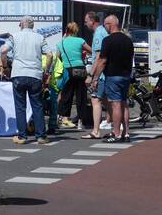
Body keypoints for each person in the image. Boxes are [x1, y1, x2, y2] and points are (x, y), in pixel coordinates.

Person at [1, 15, 54, 145]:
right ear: (32, 25)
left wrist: (5, 67)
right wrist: (46, 72)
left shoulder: (14, 36)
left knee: (20, 107)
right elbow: (50, 54)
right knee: (37, 105)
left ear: (22, 24)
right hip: (35, 75)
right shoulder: (40, 37)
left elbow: (3, 50)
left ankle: (22, 136)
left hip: (18, 73)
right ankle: (41, 136)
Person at [88, 14, 134, 143]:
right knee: (124, 104)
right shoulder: (128, 40)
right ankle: (126, 133)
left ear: (110, 25)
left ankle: (117, 134)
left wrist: (95, 78)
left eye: (106, 25)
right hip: (125, 76)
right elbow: (130, 58)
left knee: (116, 105)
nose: (105, 28)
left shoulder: (108, 40)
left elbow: (102, 61)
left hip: (113, 75)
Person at [57, 21, 91, 129]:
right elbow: (91, 51)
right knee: (81, 96)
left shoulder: (61, 43)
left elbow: (57, 57)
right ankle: (81, 121)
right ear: (76, 31)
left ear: (66, 31)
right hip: (80, 69)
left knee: (67, 95)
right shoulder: (80, 41)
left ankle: (65, 118)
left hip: (68, 70)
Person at [82, 11, 111, 140]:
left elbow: (99, 57)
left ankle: (96, 130)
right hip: (105, 73)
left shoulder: (98, 33)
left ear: (92, 21)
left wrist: (92, 75)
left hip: (101, 73)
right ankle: (118, 125)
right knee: (106, 100)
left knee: (96, 100)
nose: (85, 24)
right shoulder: (102, 32)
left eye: (86, 21)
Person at [42, 51, 64, 134]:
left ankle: (50, 126)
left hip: (50, 83)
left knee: (51, 104)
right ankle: (51, 126)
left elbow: (50, 72)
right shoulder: (52, 56)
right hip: (51, 83)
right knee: (52, 105)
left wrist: (47, 81)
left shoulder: (49, 56)